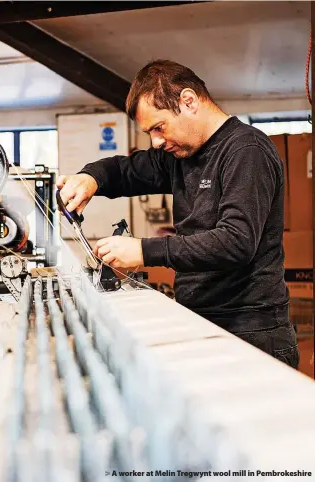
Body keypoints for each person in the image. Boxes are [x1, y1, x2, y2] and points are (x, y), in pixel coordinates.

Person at [57, 59, 299, 369]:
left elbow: (236, 242)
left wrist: (144, 250)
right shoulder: (181, 155)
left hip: (250, 331)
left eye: (159, 127)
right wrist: (89, 179)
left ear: (188, 101)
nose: (156, 141)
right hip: (199, 320)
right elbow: (125, 170)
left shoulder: (246, 151)